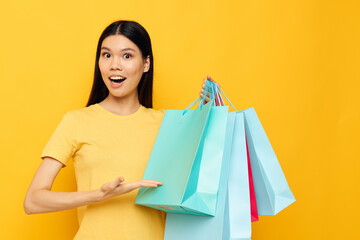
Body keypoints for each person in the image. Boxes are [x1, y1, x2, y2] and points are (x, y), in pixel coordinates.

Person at [24, 20, 214, 240]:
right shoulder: (76, 121)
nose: (115, 65)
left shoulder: (168, 124)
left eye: (127, 56)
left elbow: (202, 183)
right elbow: (33, 201)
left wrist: (207, 115)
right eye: (106, 55)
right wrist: (98, 194)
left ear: (146, 64)